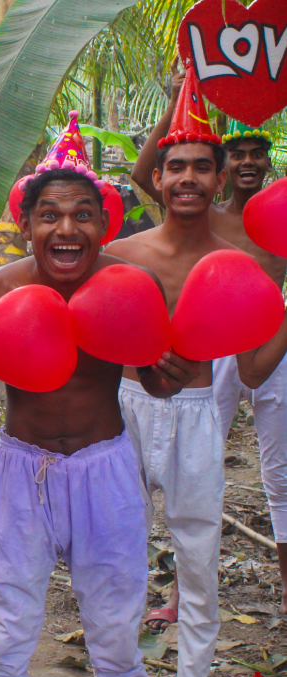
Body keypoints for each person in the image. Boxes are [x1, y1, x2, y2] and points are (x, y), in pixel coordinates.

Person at [0, 115, 198, 677]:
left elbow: (153, 382)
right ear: (29, 225)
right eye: (49, 215)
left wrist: (169, 375)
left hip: (107, 470)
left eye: (82, 214)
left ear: (106, 223)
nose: (66, 228)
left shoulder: (133, 288)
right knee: (8, 640)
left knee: (117, 646)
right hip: (19, 473)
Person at [106, 67, 287, 677]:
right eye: (173, 165)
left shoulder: (245, 253)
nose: (184, 176)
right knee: (115, 561)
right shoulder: (119, 254)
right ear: (158, 177)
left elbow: (250, 366)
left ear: (218, 178)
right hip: (123, 413)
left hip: (196, 417)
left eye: (199, 167)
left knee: (197, 560)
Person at [133, 76, 287, 617]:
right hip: (190, 358)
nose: (247, 162)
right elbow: (146, 173)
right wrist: (176, 93)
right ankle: (176, 592)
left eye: (255, 154)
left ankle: (267, 589)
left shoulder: (277, 221)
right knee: (182, 475)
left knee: (258, 470)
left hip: (258, 345)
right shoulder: (205, 216)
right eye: (237, 153)